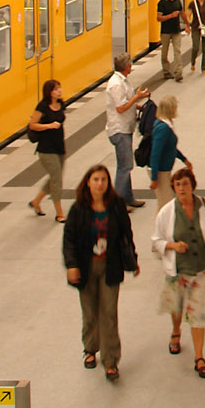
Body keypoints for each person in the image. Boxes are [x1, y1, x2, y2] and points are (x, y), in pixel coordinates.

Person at [62, 163, 141, 381]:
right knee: (90, 312)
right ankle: (90, 348)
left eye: (103, 180)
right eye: (96, 180)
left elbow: (127, 234)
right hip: (86, 267)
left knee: (108, 313)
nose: (100, 184)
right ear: (88, 182)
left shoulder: (115, 206)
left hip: (110, 266)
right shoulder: (79, 209)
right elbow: (68, 239)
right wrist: (72, 265)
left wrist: (133, 260)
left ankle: (110, 361)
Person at [150, 165, 205, 378]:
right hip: (177, 269)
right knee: (177, 306)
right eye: (177, 185)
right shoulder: (166, 213)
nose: (181, 188)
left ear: (192, 185)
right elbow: (157, 240)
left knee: (196, 313)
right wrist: (173, 246)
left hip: (200, 269)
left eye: (185, 184)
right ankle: (176, 331)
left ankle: (199, 357)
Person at [104, 54, 151, 209]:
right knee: (125, 166)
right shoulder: (116, 84)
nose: (131, 66)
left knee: (125, 165)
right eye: (130, 64)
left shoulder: (122, 81)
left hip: (126, 128)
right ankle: (117, 203)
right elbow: (121, 107)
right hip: (119, 129)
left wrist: (139, 104)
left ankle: (128, 197)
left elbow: (126, 103)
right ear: (126, 66)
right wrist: (136, 98)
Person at [26, 79, 68, 221]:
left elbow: (62, 118)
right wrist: (49, 126)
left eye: (59, 88)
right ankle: (59, 213)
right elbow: (33, 125)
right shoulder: (42, 106)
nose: (59, 91)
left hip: (59, 146)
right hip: (46, 148)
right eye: (56, 89)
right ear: (49, 92)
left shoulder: (61, 104)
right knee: (57, 180)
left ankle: (36, 202)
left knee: (54, 178)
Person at [146, 94, 189, 209]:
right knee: (166, 205)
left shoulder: (165, 125)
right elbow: (155, 154)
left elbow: (170, 147)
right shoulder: (163, 129)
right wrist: (154, 178)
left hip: (164, 170)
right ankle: (163, 226)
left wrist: (184, 159)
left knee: (164, 204)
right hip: (160, 172)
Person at [157, 0, 184, 82]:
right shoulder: (162, 3)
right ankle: (166, 71)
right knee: (165, 52)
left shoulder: (177, 1)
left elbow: (182, 12)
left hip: (176, 30)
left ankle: (178, 73)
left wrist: (187, 24)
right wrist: (170, 16)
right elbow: (158, 18)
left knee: (177, 51)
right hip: (166, 31)